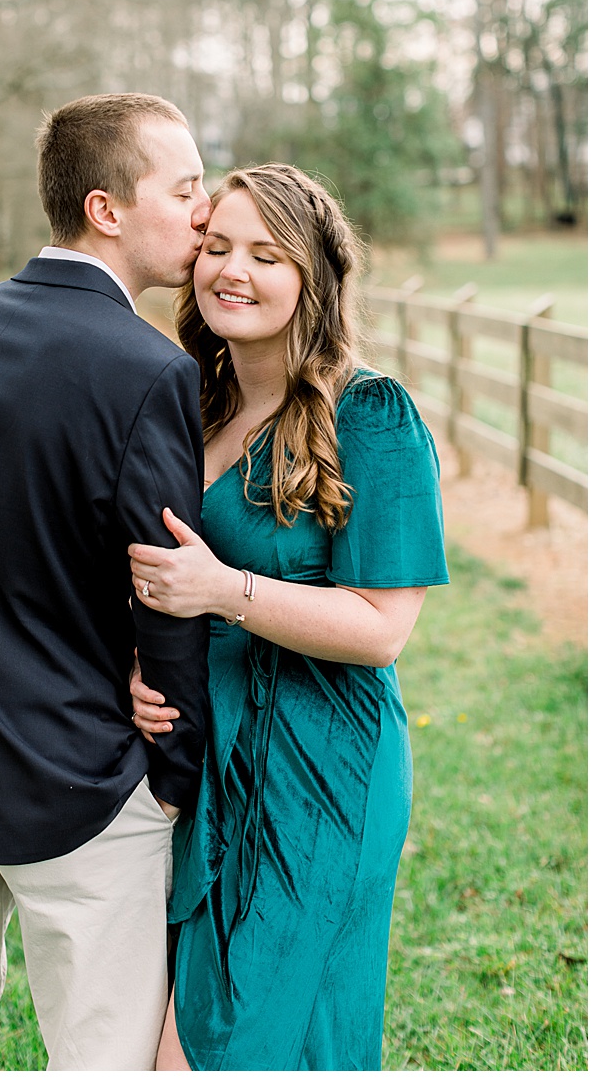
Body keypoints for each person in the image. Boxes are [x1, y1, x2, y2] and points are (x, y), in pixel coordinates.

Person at [0, 92, 215, 1070]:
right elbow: (167, 586)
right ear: (108, 207)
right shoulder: (152, 370)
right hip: (90, 765)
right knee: (100, 1048)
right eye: (184, 188)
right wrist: (174, 771)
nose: (201, 211)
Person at [127, 163, 448, 1070]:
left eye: (267, 254)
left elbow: (383, 627)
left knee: (238, 1044)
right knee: (190, 1028)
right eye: (217, 247)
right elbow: (153, 576)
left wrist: (223, 592)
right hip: (205, 765)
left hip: (321, 770)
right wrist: (142, 666)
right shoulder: (191, 403)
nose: (233, 270)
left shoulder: (371, 416)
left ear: (315, 275)